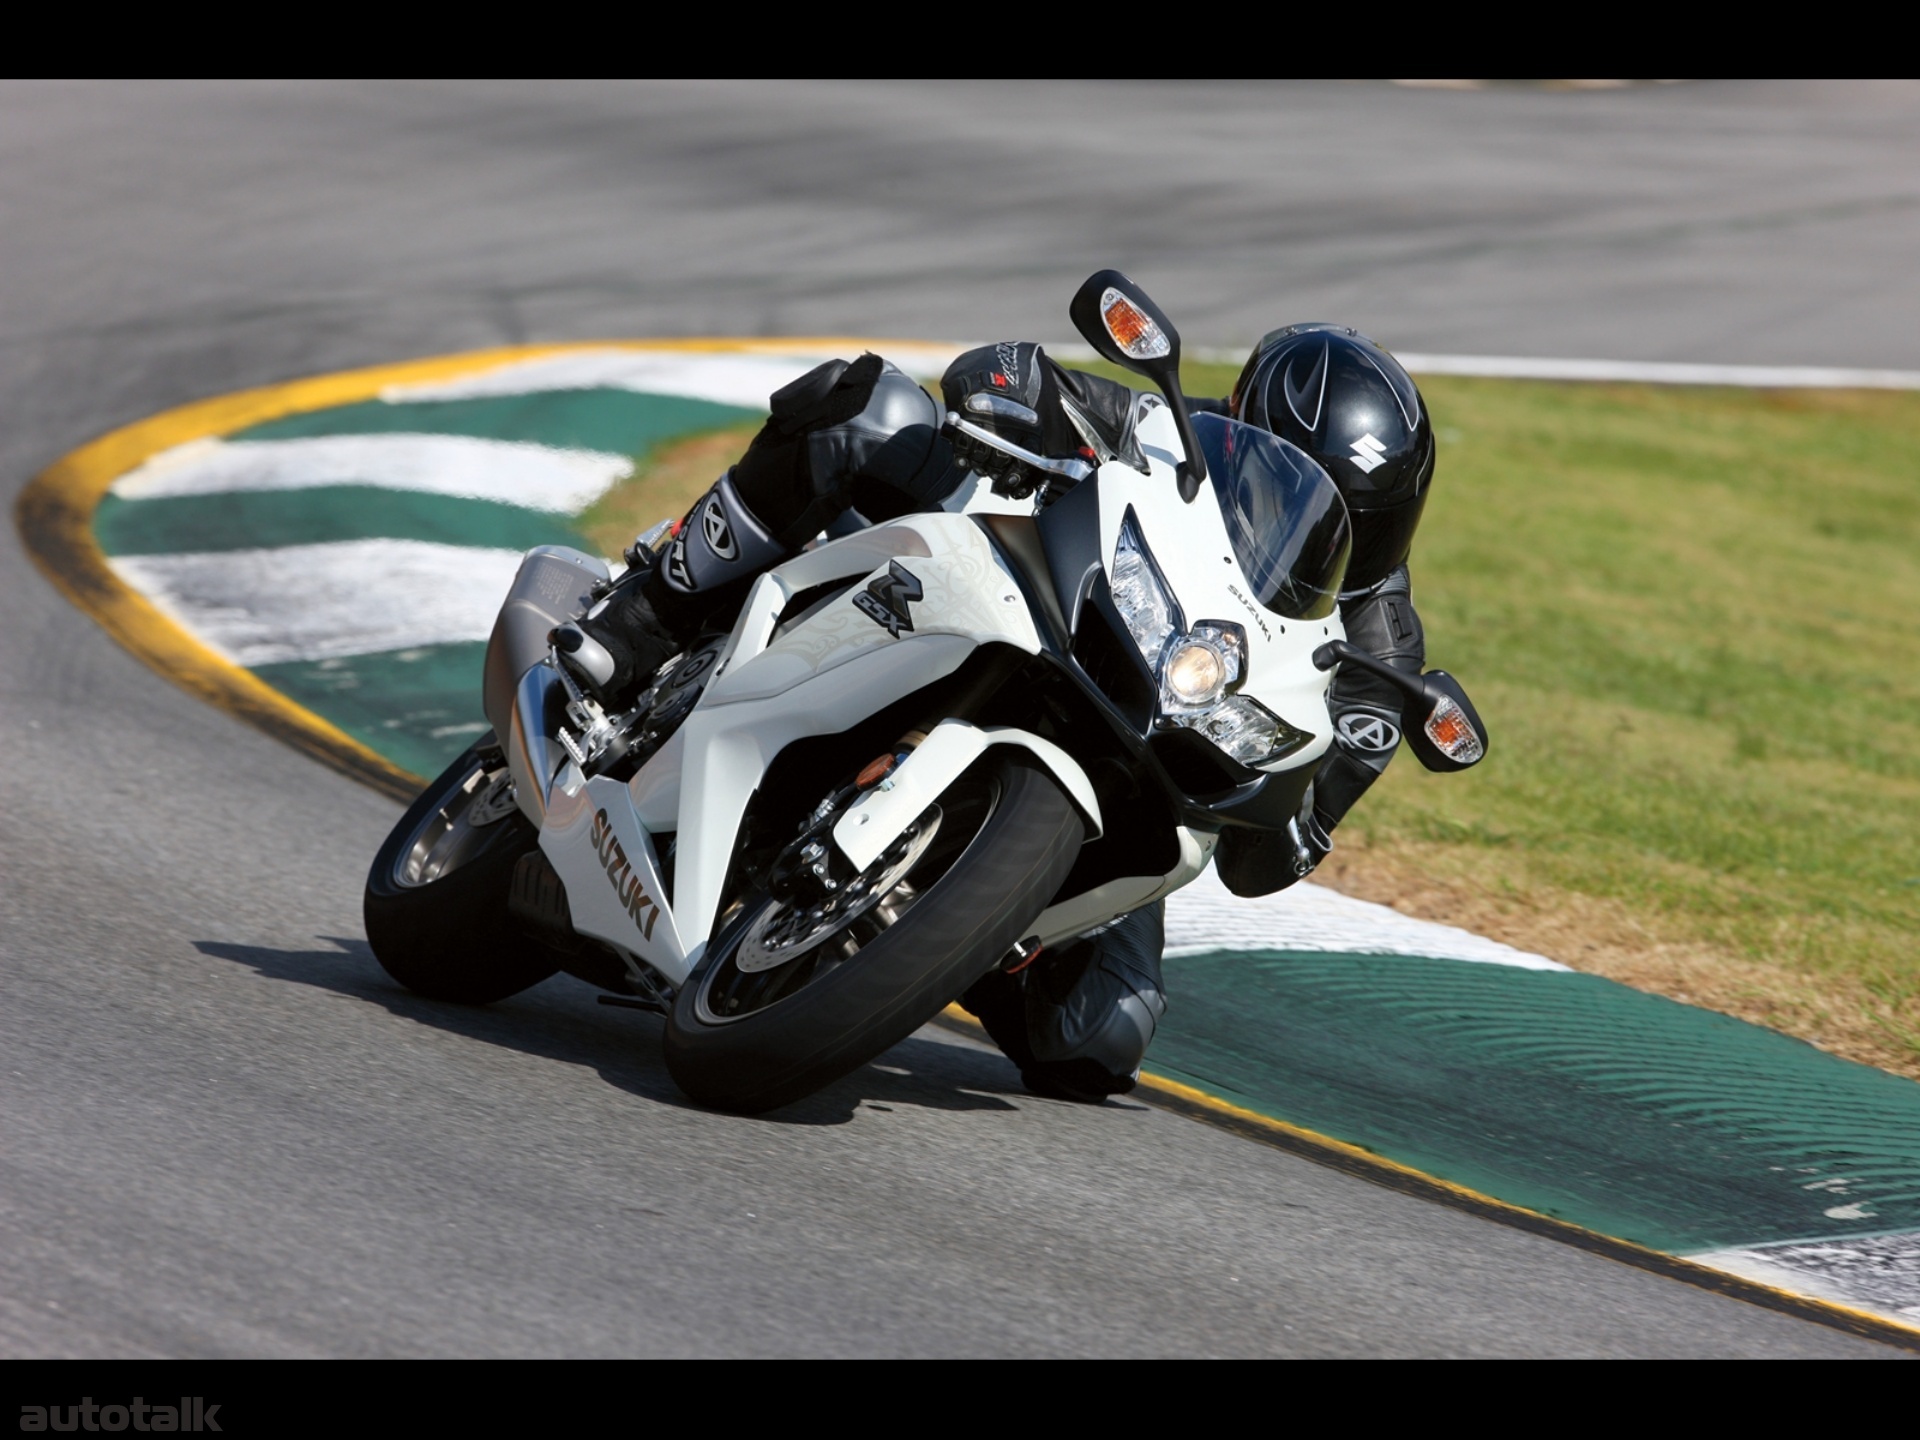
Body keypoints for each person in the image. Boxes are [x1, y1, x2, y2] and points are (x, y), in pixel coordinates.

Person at [556, 326, 1437, 1103]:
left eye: (1363, 514)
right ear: (1247, 422)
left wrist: (1286, 813)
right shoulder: (1172, 436)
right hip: (1016, 613)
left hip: (1141, 769)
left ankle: (959, 926)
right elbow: (1010, 376)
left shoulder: (1380, 660)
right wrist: (1008, 393)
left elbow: (1266, 857)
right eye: (1288, 470)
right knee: (871, 407)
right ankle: (646, 614)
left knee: (1098, 1039)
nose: (1313, 514)